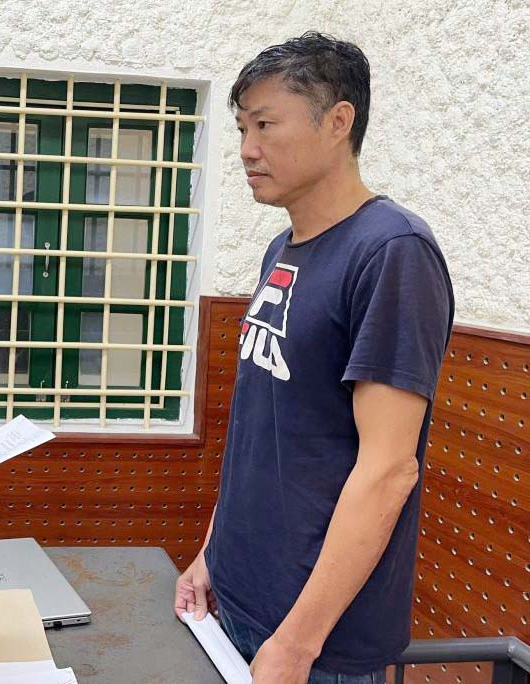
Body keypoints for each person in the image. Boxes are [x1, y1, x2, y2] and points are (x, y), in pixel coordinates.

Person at [174, 32, 454, 683]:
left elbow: (388, 471)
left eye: (266, 124)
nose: (247, 149)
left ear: (338, 121)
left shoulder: (392, 253)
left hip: (313, 637)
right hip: (238, 597)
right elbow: (264, 424)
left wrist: (297, 643)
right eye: (242, 127)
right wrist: (214, 553)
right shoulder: (284, 249)